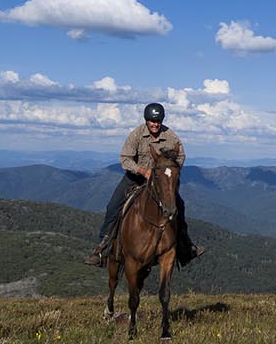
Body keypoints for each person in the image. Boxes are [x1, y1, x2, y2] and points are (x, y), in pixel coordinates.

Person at [84, 102, 204, 266]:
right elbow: (125, 159)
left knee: (179, 206)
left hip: (160, 182)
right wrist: (143, 171)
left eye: (158, 121)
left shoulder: (170, 136)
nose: (155, 124)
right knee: (113, 207)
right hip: (135, 178)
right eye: (152, 121)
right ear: (146, 120)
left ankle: (186, 247)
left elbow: (181, 155)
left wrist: (167, 172)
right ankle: (101, 249)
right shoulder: (137, 134)